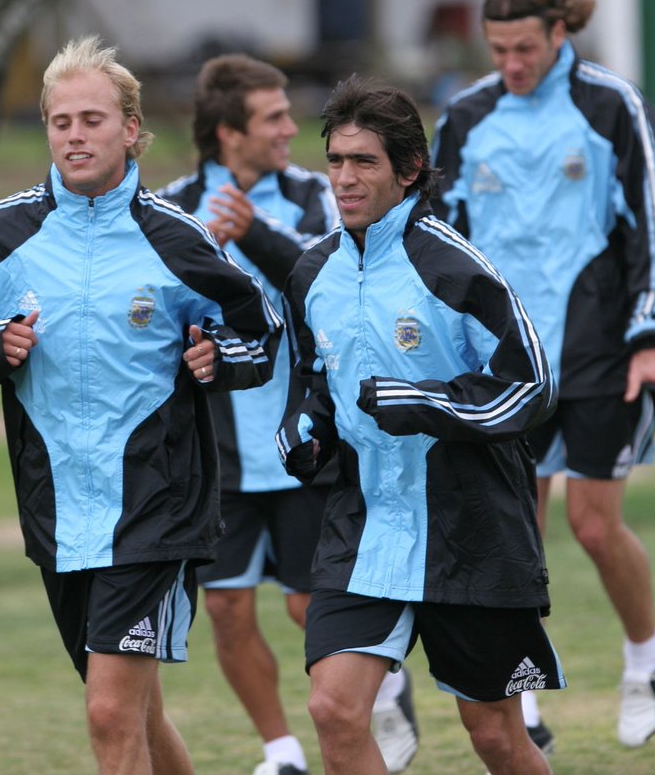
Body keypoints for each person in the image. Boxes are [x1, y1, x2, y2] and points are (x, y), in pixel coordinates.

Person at [0, 35, 283, 775]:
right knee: (136, 710)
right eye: (61, 120)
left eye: (93, 119)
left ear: (132, 130)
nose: (75, 135)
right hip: (56, 508)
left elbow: (257, 333)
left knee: (110, 712)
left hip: (156, 506)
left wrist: (215, 359)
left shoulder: (178, 239)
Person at [431, 0, 655, 751]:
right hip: (507, 362)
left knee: (591, 525)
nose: (512, 62)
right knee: (515, 536)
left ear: (560, 34)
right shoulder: (466, 117)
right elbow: (436, 240)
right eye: (498, 48)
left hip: (600, 353)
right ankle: (522, 704)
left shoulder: (612, 108)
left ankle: (646, 653)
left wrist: (653, 333)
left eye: (525, 46)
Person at [276, 77, 564, 775]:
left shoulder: (455, 268)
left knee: (496, 736)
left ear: (408, 171)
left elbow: (532, 384)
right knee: (334, 709)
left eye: (364, 162)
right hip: (363, 524)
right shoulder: (312, 272)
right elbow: (313, 379)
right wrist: (301, 430)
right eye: (336, 160)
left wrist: (426, 402)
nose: (344, 177)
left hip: (469, 526)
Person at [159, 55, 417, 775]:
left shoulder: (316, 194)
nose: (290, 129)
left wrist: (253, 235)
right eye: (273, 116)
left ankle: (381, 689)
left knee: (312, 605)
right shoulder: (173, 207)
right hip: (221, 456)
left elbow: (328, 276)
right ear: (225, 132)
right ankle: (280, 749)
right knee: (227, 612)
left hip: (307, 443)